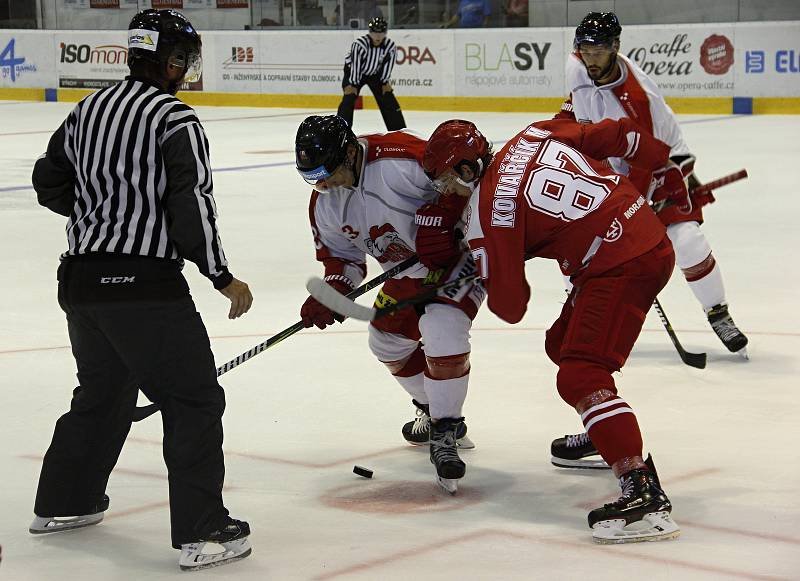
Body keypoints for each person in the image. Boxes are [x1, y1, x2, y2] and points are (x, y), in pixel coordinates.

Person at [29, 9, 253, 571]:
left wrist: (97, 217)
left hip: (81, 281)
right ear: (173, 61)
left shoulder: (87, 111)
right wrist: (222, 276)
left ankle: (64, 502)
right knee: (193, 398)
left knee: (102, 394)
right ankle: (203, 530)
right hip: (144, 286)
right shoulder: (175, 120)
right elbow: (190, 206)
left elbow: (47, 180)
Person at [414, 116, 683, 543]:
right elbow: (616, 135)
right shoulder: (536, 132)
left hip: (619, 264)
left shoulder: (486, 216)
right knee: (561, 343)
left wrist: (478, 248)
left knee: (579, 374)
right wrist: (663, 166)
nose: (444, 192)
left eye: (446, 180)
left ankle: (643, 490)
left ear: (467, 169)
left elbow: (511, 305)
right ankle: (604, 433)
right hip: (639, 230)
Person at [550, 11, 749, 470]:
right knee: (586, 261)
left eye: (600, 49)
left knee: (689, 240)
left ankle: (717, 313)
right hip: (610, 178)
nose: (591, 57)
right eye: (586, 48)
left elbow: (665, 147)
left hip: (660, 168)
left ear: (616, 46)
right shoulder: (576, 64)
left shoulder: (637, 100)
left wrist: (660, 184)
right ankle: (589, 325)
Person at [294, 114, 483, 494]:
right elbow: (343, 262)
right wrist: (332, 292)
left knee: (440, 326)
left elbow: (470, 180)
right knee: (386, 340)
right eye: (313, 177)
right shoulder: (326, 204)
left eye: (327, 172)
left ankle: (446, 430)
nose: (323, 184)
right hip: (406, 273)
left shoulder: (399, 158)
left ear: (349, 153)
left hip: (457, 261)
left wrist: (446, 222)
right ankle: (434, 411)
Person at [336, 16, 406, 132]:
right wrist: (352, 84)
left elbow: (388, 65)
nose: (378, 36)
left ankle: (399, 132)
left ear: (385, 33)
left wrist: (384, 82)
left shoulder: (390, 46)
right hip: (354, 72)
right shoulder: (359, 44)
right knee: (349, 98)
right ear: (370, 32)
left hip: (374, 73)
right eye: (375, 32)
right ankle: (340, 131)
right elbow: (355, 65)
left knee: (388, 97)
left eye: (381, 33)